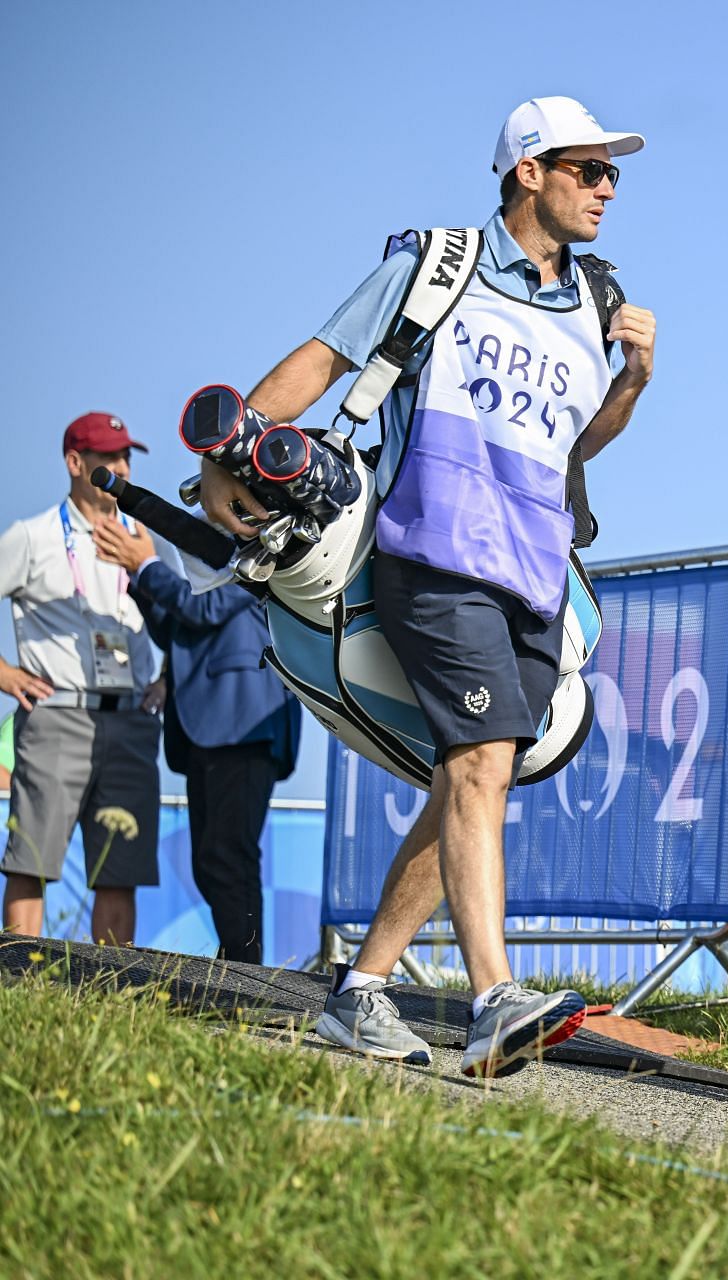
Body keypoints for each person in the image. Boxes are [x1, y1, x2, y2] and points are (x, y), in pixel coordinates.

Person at [197, 95, 656, 1078]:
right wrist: (226, 462)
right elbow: (322, 360)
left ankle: (361, 991)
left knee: (468, 775)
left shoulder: (595, 302)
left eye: (612, 172)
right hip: (433, 554)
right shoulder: (436, 265)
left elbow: (573, 451)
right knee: (483, 760)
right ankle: (495, 998)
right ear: (528, 170)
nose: (607, 186)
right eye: (588, 167)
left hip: (535, 572)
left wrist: (630, 387)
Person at [94, 520, 300, 965]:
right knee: (210, 860)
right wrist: (138, 579)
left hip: (245, 725)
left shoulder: (259, 551)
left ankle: (245, 976)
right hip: (208, 727)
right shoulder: (208, 563)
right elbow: (178, 631)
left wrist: (145, 564)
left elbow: (199, 608)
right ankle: (240, 968)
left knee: (229, 855)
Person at [0, 413, 166, 945]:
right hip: (57, 716)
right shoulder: (32, 537)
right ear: (75, 464)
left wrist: (171, 679)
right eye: (107, 458)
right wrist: (3, 673)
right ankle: (20, 985)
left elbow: (193, 615)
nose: (120, 467)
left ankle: (109, 998)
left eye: (126, 457)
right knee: (33, 859)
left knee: (121, 869)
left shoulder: (149, 539)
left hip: (133, 722)